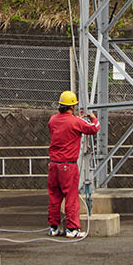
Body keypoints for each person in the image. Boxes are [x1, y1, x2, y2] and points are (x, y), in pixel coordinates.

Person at [47, 90, 99, 239]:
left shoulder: (52, 120)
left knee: (54, 197)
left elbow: (65, 126)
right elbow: (93, 128)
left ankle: (53, 227)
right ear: (72, 106)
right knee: (71, 197)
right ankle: (72, 229)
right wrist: (93, 118)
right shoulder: (76, 121)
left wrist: (77, 119)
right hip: (67, 166)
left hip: (53, 165)